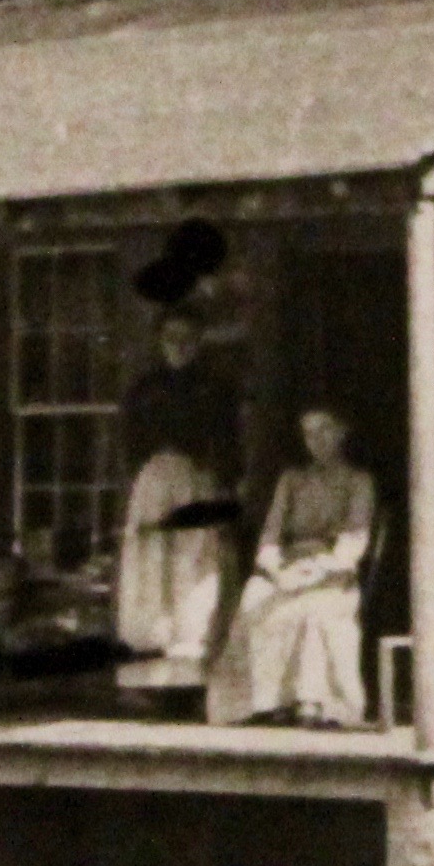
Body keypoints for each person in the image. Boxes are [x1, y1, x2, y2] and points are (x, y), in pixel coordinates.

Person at [113, 302, 244, 681]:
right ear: (160, 340)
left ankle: (190, 677)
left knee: (194, 572)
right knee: (151, 574)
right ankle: (149, 678)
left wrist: (221, 494)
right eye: (171, 338)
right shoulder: (144, 389)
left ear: (200, 341)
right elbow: (129, 445)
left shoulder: (216, 389)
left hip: (197, 483)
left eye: (187, 338)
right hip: (154, 483)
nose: (179, 345)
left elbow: (229, 446)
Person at [234, 405, 376, 725]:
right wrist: (275, 569)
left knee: (315, 608)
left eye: (324, 430)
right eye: (308, 433)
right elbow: (271, 534)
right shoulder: (293, 480)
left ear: (342, 432)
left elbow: (354, 540)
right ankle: (267, 701)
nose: (315, 440)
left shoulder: (358, 481)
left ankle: (312, 700)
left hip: (332, 571)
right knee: (256, 597)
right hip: (289, 566)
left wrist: (320, 569)